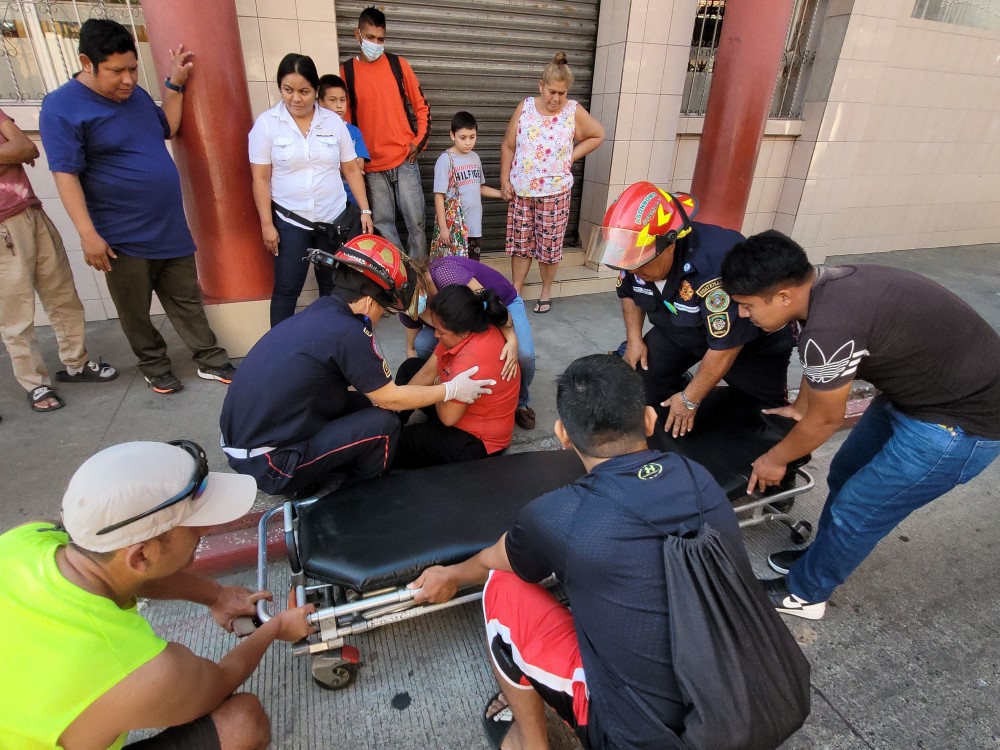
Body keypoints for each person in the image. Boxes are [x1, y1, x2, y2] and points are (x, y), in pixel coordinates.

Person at [411, 354, 753, 748]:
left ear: (562, 434)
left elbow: (491, 560)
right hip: (751, 693)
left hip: (641, 736)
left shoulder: (556, 515)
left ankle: (529, 742)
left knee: (502, 587)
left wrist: (451, 574)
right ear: (649, 420)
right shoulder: (699, 477)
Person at [720, 230, 1000, 620]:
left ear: (784, 295)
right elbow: (823, 373)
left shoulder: (829, 327)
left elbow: (828, 417)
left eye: (747, 306)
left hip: (959, 427)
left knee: (858, 509)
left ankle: (806, 594)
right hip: (916, 397)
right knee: (846, 472)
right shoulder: (825, 286)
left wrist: (776, 458)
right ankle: (821, 557)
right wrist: (800, 407)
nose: (742, 315)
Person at [0, 439, 315, 749]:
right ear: (140, 556)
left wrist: (216, 595)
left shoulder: (29, 539)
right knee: (242, 723)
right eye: (192, 525)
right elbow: (217, 683)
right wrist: (275, 627)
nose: (205, 530)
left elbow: (130, 573)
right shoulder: (145, 671)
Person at [39, 18, 235, 395]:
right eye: (117, 71)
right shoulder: (62, 108)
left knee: (187, 300)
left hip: (169, 225)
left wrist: (175, 83)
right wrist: (87, 235)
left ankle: (210, 359)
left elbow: (169, 127)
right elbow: (65, 175)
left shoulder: (136, 95)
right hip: (121, 234)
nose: (128, 79)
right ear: (86, 62)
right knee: (135, 309)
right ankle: (154, 365)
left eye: (132, 68)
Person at [219, 234, 495, 499]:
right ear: (368, 302)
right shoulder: (349, 333)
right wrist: (451, 390)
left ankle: (324, 469)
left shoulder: (322, 311)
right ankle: (356, 499)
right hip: (270, 464)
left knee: (363, 405)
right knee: (385, 422)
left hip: (248, 443)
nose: (380, 319)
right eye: (384, 312)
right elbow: (391, 399)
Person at [591, 182, 793, 438]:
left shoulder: (715, 266)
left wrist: (690, 399)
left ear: (671, 244)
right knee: (639, 387)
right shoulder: (635, 252)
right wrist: (634, 339)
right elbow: (628, 292)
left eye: (640, 265)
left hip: (745, 344)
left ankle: (782, 466)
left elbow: (725, 345)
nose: (633, 271)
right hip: (678, 330)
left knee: (769, 417)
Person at [0, 107, 117, 413]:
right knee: (16, 312)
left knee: (62, 294)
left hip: (30, 210)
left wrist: (16, 151)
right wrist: (8, 154)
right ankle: (34, 383)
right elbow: (14, 150)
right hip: (2, 228)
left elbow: (25, 146)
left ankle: (77, 363)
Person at [250, 54, 374, 328]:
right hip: (291, 222)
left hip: (333, 220)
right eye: (288, 90)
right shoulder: (267, 124)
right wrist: (267, 224)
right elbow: (260, 178)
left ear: (316, 91)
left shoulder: (333, 123)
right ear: (280, 88)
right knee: (286, 288)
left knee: (332, 288)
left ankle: (328, 345)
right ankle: (280, 350)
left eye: (304, 91)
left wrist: (364, 210)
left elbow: (352, 169)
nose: (296, 98)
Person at [501, 51, 604, 314]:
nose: (556, 98)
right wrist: (504, 179)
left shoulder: (573, 111)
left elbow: (597, 134)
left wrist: (570, 156)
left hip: (555, 193)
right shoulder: (525, 107)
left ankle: (546, 291)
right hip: (522, 191)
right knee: (520, 244)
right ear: (541, 85)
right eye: (551, 91)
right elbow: (508, 145)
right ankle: (516, 290)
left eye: (561, 92)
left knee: (549, 247)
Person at [402, 254, 537, 429]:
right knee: (423, 344)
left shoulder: (445, 274)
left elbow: (486, 305)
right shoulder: (404, 299)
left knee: (523, 354)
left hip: (497, 305)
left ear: (418, 281)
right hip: (456, 321)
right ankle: (450, 380)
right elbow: (412, 344)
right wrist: (411, 353)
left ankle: (521, 401)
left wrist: (511, 339)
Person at [393, 286, 519, 468]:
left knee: (401, 442)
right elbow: (427, 372)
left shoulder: (470, 363)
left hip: (477, 442)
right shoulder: (473, 323)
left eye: (441, 332)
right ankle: (392, 422)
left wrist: (439, 384)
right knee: (410, 368)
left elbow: (447, 417)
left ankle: (382, 454)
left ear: (463, 332)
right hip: (460, 405)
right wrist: (398, 403)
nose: (436, 335)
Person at [340, 6, 431, 259]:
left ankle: (421, 283)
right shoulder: (346, 72)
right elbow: (343, 125)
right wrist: (355, 162)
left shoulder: (397, 65)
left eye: (381, 39)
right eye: (370, 37)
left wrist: (417, 143)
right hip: (372, 168)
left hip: (404, 159)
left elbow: (422, 106)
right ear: (357, 34)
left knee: (417, 224)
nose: (376, 44)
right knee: (384, 226)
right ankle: (402, 277)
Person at [432, 111, 502, 262]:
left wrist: (501, 194)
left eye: (472, 137)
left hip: (474, 228)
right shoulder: (446, 160)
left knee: (473, 267)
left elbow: (480, 187)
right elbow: (439, 195)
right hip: (455, 230)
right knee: (456, 269)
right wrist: (443, 228)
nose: (468, 142)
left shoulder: (475, 157)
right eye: (462, 138)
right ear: (452, 135)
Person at [317, 73, 371, 208]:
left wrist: (337, 165)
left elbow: (359, 166)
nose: (339, 105)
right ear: (321, 103)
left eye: (342, 100)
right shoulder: (315, 132)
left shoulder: (353, 131)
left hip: (352, 198)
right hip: (326, 201)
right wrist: (347, 167)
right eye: (333, 100)